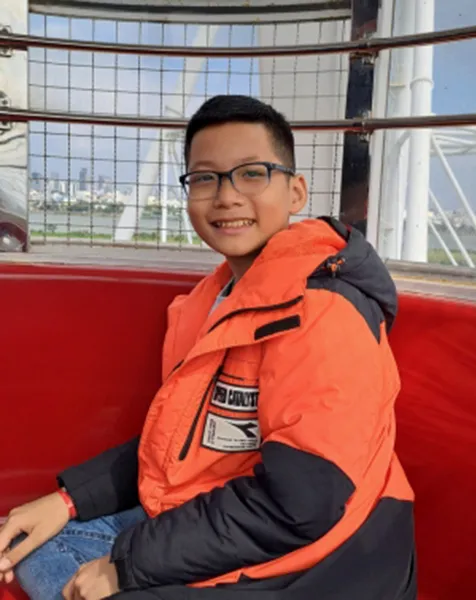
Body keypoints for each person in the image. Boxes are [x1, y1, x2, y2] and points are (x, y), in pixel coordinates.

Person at [0, 95, 416, 600]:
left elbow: (303, 504)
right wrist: (66, 502)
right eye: (205, 178)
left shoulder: (324, 313)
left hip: (322, 567)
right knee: (30, 544)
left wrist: (127, 566)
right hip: (225, 519)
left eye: (252, 173)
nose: (226, 196)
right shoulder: (215, 300)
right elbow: (178, 445)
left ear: (296, 192)